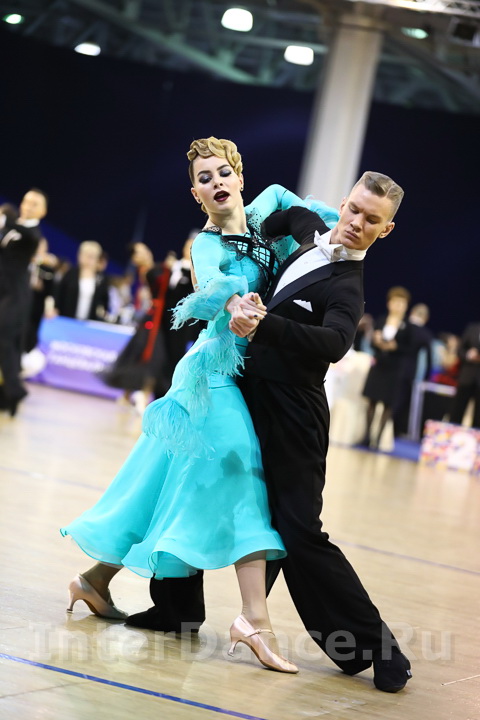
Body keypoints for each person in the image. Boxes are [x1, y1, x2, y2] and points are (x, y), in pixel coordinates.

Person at [60, 136, 337, 673]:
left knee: (157, 484)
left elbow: (320, 223)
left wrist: (339, 234)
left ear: (240, 176)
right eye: (204, 179)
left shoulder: (271, 204)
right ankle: (255, 619)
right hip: (215, 376)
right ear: (196, 194)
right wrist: (237, 304)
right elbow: (213, 288)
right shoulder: (205, 245)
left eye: (223, 172)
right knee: (247, 475)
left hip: (260, 377)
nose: (216, 183)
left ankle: (94, 579)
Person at [131, 171, 413, 694]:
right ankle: (175, 610)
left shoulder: (348, 286)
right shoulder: (307, 230)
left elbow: (334, 343)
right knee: (197, 486)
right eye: (353, 209)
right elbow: (269, 217)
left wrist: (266, 325)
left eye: (371, 220)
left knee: (298, 530)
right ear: (343, 202)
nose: (356, 223)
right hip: (247, 390)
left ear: (385, 230)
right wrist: (232, 242)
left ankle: (378, 649)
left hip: (294, 413)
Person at [0, 189, 47, 415]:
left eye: (34, 203)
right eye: (26, 201)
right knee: (7, 344)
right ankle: (8, 393)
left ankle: (14, 390)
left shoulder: (32, 233)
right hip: (3, 293)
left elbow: (29, 237)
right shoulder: (11, 228)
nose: (28, 205)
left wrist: (6, 218)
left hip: (15, 297)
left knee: (5, 341)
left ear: (43, 211)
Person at [361, 286, 412, 448]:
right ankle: (367, 436)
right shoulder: (381, 320)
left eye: (402, 303)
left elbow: (410, 349)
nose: (398, 306)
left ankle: (378, 439)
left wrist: (395, 347)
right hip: (379, 365)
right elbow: (371, 343)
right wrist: (376, 341)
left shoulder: (408, 326)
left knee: (388, 404)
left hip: (395, 369)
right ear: (389, 303)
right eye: (395, 302)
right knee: (371, 401)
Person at [54, 240, 110, 321]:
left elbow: (104, 302)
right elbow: (59, 294)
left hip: (89, 322)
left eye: (92, 256)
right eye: (86, 255)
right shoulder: (71, 274)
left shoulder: (101, 279)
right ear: (80, 255)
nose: (89, 259)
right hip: (67, 319)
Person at [448, 322, 480, 428]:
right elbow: (460, 350)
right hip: (466, 378)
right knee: (457, 411)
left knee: (478, 417)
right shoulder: (472, 329)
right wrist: (468, 355)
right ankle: (452, 436)